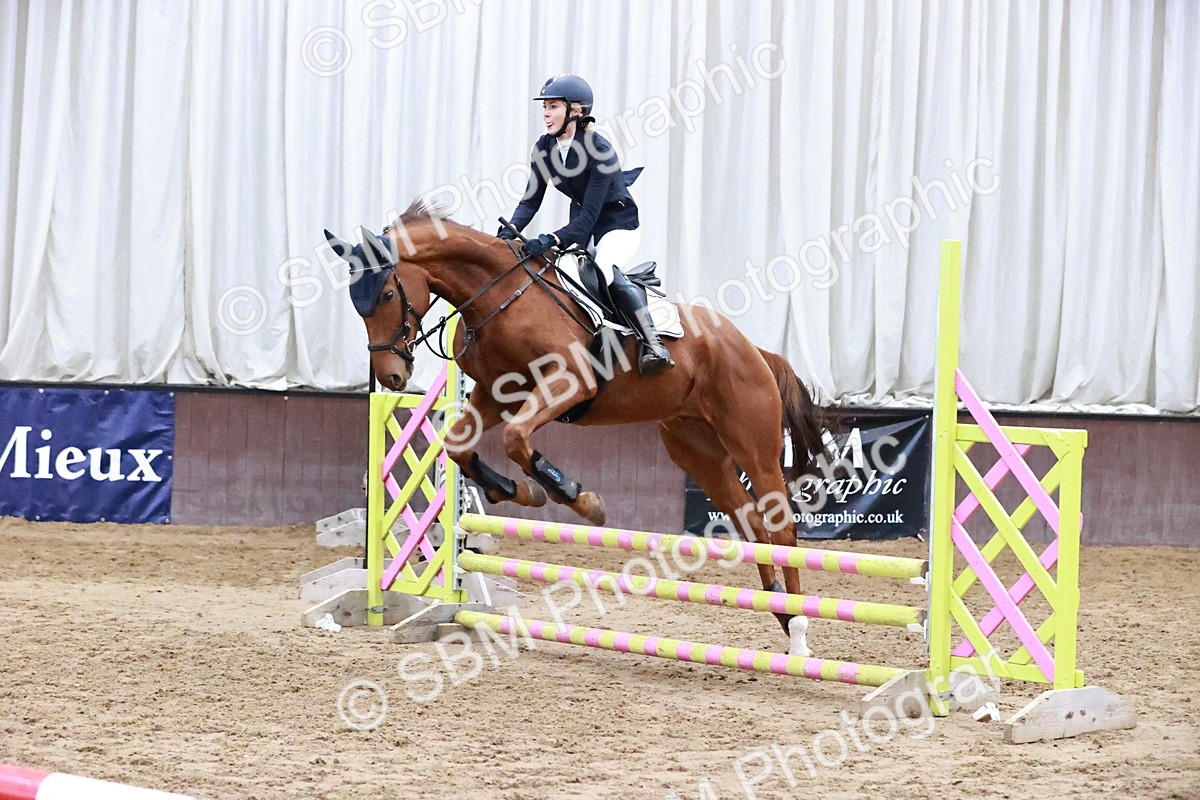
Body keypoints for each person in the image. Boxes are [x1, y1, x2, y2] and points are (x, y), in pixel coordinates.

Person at [498, 74, 674, 376]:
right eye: (545, 108)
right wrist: (506, 234)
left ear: (576, 112)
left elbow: (589, 218)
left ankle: (653, 343)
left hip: (617, 225)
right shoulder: (543, 148)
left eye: (553, 107)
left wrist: (551, 238)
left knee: (603, 268)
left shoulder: (599, 151)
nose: (545, 114)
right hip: (583, 224)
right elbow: (530, 201)